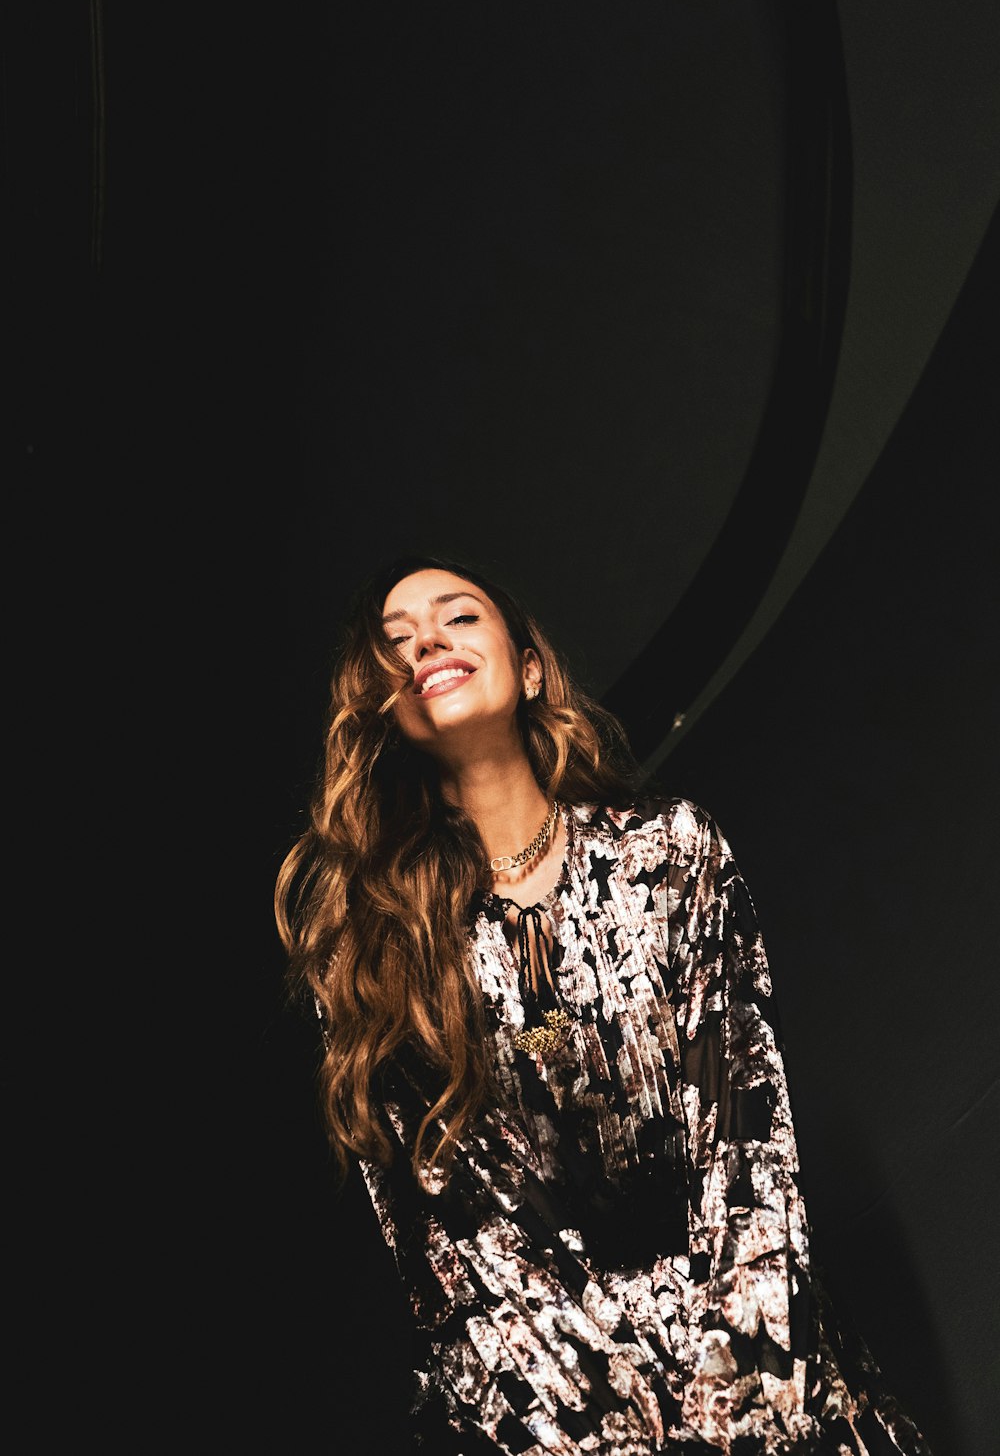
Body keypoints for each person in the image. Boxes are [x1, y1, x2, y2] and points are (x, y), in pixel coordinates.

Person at [274, 554, 931, 1455]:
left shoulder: (671, 853)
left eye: (459, 617)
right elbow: (457, 1255)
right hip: (560, 1414)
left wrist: (736, 1393)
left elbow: (745, 1141)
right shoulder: (373, 956)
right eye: (396, 642)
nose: (426, 639)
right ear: (387, 709)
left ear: (531, 666)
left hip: (769, 1382)